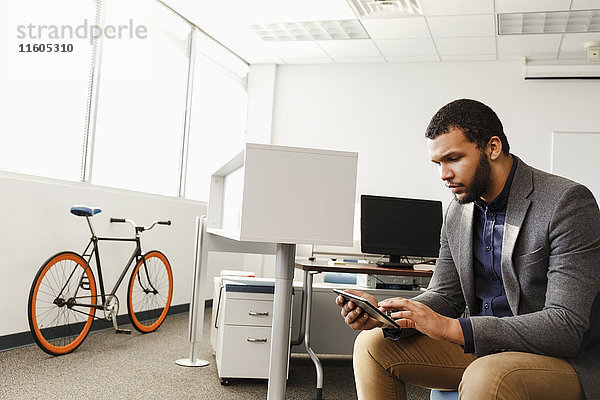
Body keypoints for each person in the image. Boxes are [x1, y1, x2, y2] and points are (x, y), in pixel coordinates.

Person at [336, 99, 600, 400]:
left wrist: (455, 330)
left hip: (560, 359)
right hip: (484, 348)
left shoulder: (567, 203)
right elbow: (445, 296)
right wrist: (389, 316)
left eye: (453, 159)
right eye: (438, 163)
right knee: (372, 345)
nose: (443, 175)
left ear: (493, 147)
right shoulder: (458, 211)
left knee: (487, 375)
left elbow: (567, 325)